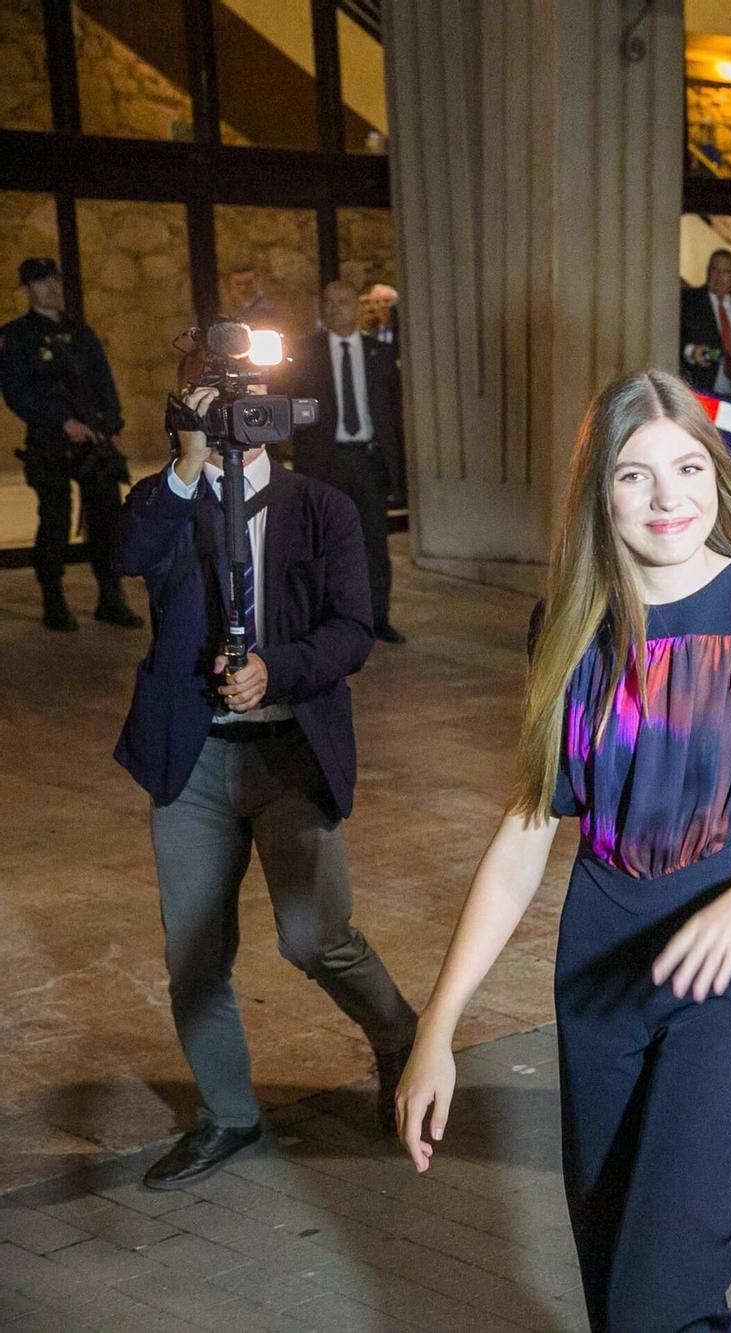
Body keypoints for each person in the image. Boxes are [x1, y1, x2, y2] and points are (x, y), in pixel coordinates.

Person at [395, 370, 731, 1331]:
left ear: (718, 473)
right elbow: (525, 831)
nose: (667, 498)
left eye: (686, 466)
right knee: (617, 1285)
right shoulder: (569, 629)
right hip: (601, 968)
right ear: (599, 494)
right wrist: (437, 1028)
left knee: (655, 1301)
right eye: (633, 475)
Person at [115, 374, 417, 1190]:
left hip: (291, 752)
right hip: (193, 758)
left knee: (314, 936)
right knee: (195, 955)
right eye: (213, 408)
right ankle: (228, 1114)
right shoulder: (165, 499)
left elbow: (353, 628)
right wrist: (184, 462)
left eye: (247, 406)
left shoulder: (321, 507)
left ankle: (400, 1039)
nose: (234, 423)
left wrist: (274, 670)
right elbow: (129, 555)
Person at [0, 256, 142, 631]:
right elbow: (17, 392)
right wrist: (62, 422)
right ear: (28, 288)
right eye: (41, 281)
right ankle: (54, 600)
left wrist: (112, 425)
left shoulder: (81, 332)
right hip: (50, 442)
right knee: (55, 521)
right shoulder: (16, 336)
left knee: (106, 521)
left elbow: (103, 382)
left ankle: (110, 598)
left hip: (93, 443)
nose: (51, 287)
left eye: (54, 280)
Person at [286, 281, 405, 643]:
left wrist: (396, 469)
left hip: (367, 460)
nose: (335, 309)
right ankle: (324, 618)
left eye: (342, 302)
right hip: (325, 461)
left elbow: (392, 411)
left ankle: (377, 618)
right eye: (328, 303)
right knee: (321, 542)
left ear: (357, 308)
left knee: (373, 543)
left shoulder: (379, 353)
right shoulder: (306, 353)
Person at [680, 249, 731, 395]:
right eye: (715, 270)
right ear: (708, 272)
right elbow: (672, 336)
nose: (719, 277)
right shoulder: (688, 300)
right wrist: (691, 351)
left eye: (726, 272)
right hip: (701, 387)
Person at [222, 263, 280, 329]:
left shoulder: (268, 309)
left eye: (248, 283)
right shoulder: (233, 311)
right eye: (238, 284)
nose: (243, 288)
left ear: (258, 281)